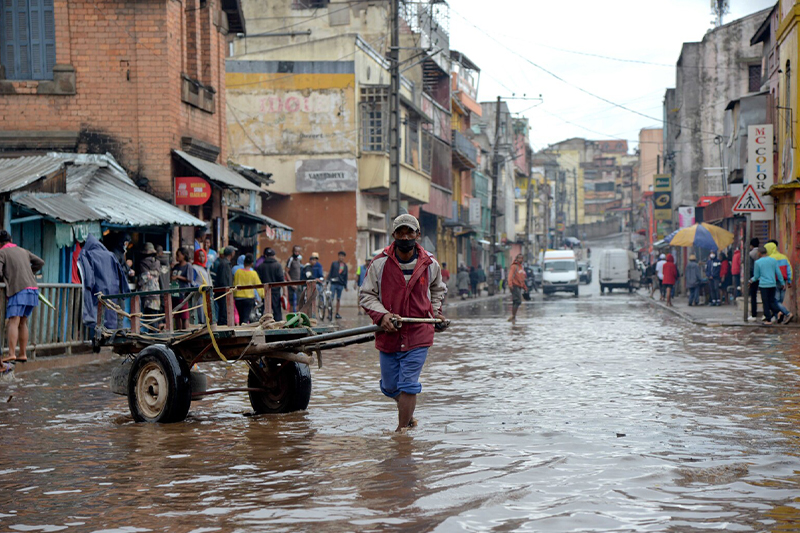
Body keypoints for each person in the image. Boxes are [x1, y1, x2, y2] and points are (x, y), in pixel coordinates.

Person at [360, 214, 447, 433]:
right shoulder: (379, 263)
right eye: (401, 232)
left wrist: (436, 313)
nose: (405, 236)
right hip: (388, 333)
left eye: (410, 232)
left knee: (408, 384)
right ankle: (408, 413)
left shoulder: (430, 264)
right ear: (394, 235)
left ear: (418, 235)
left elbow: (437, 290)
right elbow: (367, 295)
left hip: (419, 332)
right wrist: (383, 316)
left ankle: (401, 434)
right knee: (390, 387)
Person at [0, 230, 44, 371]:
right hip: (32, 289)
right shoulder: (23, 250)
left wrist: (7, 279)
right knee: (23, 321)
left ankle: (12, 353)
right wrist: (30, 273)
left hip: (18, 289)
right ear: (11, 239)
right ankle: (22, 353)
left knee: (14, 320)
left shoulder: (2, 253)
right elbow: (40, 262)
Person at [751, 245, 785, 325]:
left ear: (759, 253)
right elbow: (778, 273)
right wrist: (782, 283)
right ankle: (779, 312)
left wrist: (751, 280)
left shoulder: (757, 262)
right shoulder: (773, 260)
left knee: (765, 302)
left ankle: (768, 319)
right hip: (772, 284)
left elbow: (756, 276)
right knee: (771, 301)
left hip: (763, 285)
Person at [766, 240, 793, 324]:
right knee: (779, 301)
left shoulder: (769, 259)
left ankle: (787, 313)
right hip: (784, 281)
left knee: (775, 301)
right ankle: (778, 317)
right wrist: (789, 280)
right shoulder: (784, 257)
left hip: (774, 282)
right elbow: (789, 269)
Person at [233, 253, 264, 324]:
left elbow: (234, 284)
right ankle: (243, 331)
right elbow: (258, 286)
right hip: (248, 298)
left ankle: (241, 329)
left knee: (241, 317)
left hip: (238, 298)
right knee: (246, 317)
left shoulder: (238, 272)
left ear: (244, 263)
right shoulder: (253, 273)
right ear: (252, 264)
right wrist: (262, 296)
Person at [256, 247, 285, 321]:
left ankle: (265, 325)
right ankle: (278, 327)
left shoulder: (260, 266)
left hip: (264, 292)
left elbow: (258, 280)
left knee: (265, 311)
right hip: (275, 292)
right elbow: (281, 279)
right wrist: (284, 292)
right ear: (274, 255)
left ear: (265, 256)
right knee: (277, 311)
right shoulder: (277, 265)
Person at [170, 247, 193, 330]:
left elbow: (190, 279)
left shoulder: (188, 266)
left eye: (178, 255)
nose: (177, 257)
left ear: (184, 255)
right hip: (175, 293)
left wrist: (178, 277)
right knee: (176, 315)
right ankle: (178, 331)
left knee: (184, 315)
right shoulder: (176, 266)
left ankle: (185, 331)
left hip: (183, 294)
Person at [137, 243, 162, 319]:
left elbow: (144, 278)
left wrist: (138, 283)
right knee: (154, 316)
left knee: (149, 317)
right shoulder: (157, 263)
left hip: (147, 293)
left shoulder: (143, 262)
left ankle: (153, 331)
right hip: (156, 292)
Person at [215, 246, 235, 325]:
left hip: (225, 290)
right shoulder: (224, 264)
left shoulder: (226, 263)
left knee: (225, 310)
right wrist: (226, 290)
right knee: (223, 310)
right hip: (223, 291)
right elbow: (223, 279)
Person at [327, 251, 349, 319]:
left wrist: (345, 286)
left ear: (344, 257)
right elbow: (330, 273)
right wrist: (327, 281)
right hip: (333, 283)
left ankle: (337, 313)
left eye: (343, 256)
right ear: (338, 256)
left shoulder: (345, 266)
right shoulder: (334, 264)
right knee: (331, 298)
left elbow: (346, 276)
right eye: (340, 256)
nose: (341, 257)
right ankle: (329, 313)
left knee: (338, 299)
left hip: (340, 284)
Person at [507, 254, 527, 322]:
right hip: (514, 285)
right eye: (519, 258)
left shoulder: (521, 267)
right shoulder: (514, 266)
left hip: (519, 286)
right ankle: (513, 315)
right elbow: (510, 276)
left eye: (522, 258)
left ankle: (513, 316)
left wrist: (524, 286)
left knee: (515, 301)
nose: (521, 260)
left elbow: (522, 277)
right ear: (516, 259)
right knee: (518, 301)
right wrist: (510, 284)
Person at [286, 245, 303, 312]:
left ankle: (298, 317)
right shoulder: (290, 259)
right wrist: (291, 283)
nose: (297, 253)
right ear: (293, 251)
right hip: (292, 284)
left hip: (298, 283)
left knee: (299, 301)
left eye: (298, 252)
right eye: (295, 251)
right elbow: (286, 272)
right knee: (292, 303)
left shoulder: (299, 259)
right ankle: (292, 317)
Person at [748, 238, 760, 321]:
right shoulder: (762, 253)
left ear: (751, 245)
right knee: (765, 296)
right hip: (763, 276)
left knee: (753, 295)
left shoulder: (751, 254)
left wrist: (750, 279)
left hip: (754, 276)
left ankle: (754, 314)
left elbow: (750, 267)